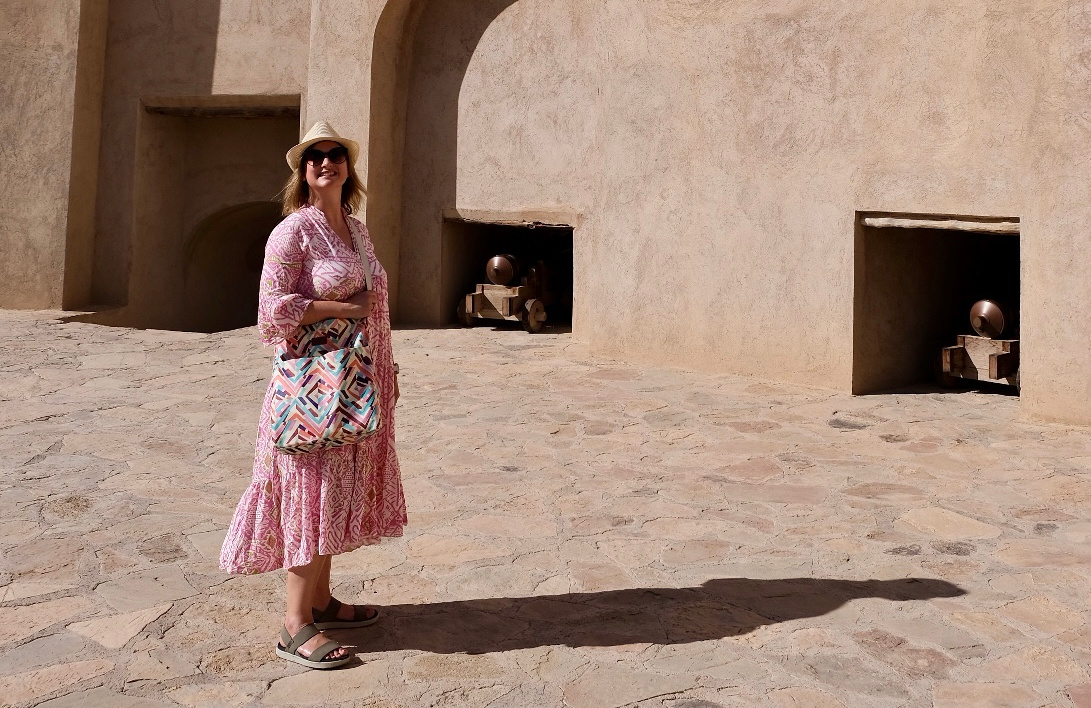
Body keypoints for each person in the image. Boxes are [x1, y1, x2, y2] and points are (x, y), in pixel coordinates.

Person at [219, 121, 407, 670]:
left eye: (336, 155)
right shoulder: (292, 233)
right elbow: (272, 309)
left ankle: (322, 602)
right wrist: (345, 310)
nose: (327, 163)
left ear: (348, 169)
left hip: (355, 382)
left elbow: (380, 303)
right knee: (310, 493)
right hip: (310, 388)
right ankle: (295, 624)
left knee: (336, 492)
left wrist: (384, 367)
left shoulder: (357, 229)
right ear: (302, 173)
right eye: (316, 157)